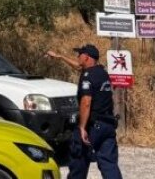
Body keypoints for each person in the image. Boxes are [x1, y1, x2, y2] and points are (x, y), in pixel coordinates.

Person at [46, 44, 123, 179]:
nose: (78, 57)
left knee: (78, 163)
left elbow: (86, 102)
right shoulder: (102, 73)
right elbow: (77, 66)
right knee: (109, 165)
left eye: (80, 54)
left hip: (92, 126)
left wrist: (82, 127)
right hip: (108, 126)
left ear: (86, 57)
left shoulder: (87, 77)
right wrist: (60, 57)